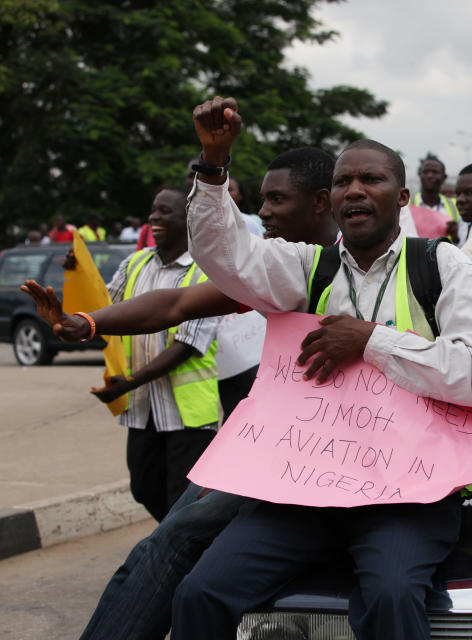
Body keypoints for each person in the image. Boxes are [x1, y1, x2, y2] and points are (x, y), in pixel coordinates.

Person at [169, 96, 472, 640]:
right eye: (344, 180)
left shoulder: (442, 265)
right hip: (306, 490)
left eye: (370, 179)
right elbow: (225, 256)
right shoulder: (307, 266)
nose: (354, 189)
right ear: (332, 203)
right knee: (202, 592)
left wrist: (373, 341)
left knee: (393, 599)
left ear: (400, 197)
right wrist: (212, 166)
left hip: (407, 496)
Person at [22, 146, 341, 640]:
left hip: (341, 463)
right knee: (163, 543)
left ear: (320, 203)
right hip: (267, 444)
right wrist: (85, 322)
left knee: (182, 542)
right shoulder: (281, 268)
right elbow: (173, 304)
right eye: (261, 200)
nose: (264, 213)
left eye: (277, 200)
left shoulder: (389, 269)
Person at [94, 185, 222, 523]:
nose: (155, 217)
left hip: (187, 414)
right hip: (142, 407)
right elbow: (106, 310)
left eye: (165, 211)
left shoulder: (206, 272)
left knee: (181, 499)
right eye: (154, 209)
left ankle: (177, 562)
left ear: (189, 219)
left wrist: (129, 382)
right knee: (144, 487)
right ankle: (177, 551)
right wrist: (78, 274)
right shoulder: (134, 263)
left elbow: (187, 347)